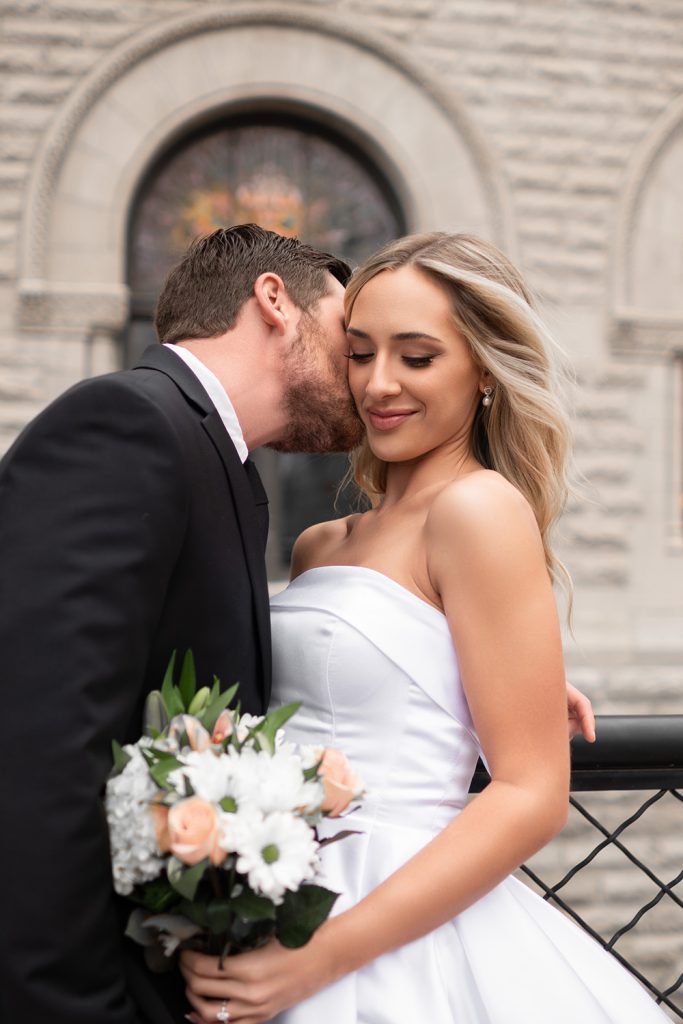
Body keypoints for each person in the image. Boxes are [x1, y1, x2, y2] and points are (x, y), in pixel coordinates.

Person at [179, 233, 667, 1024]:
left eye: (416, 357)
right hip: (277, 892)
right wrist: (472, 677)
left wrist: (314, 960)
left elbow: (532, 796)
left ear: (481, 371)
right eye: (360, 352)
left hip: (387, 931)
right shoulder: (320, 544)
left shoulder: (478, 510)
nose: (378, 385)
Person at [0, 224, 362, 1024]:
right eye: (349, 336)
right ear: (275, 302)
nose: (364, 371)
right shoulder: (125, 423)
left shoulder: (221, 463)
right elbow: (41, 745)